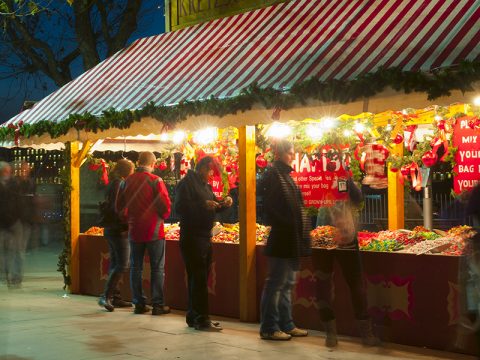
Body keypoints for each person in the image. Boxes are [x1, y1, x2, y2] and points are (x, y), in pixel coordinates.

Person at [315, 176, 379, 347]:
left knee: (353, 284)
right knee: (325, 284)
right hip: (326, 237)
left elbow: (358, 200)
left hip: (342, 236)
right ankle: (332, 332)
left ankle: (360, 332)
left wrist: (348, 181)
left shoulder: (340, 178)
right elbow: (358, 200)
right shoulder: (315, 176)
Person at [259, 140, 311, 341]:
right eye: (290, 153)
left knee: (287, 283)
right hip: (282, 238)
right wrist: (287, 223)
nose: (293, 156)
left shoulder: (286, 176)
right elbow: (270, 208)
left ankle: (286, 324)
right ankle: (269, 327)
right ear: (279, 154)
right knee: (276, 284)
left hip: (291, 239)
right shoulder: (274, 175)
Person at [174, 156, 233, 331]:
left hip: (204, 236)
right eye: (209, 171)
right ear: (201, 169)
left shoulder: (205, 186)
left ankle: (194, 316)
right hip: (192, 236)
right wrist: (202, 205)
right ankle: (202, 319)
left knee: (199, 278)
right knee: (198, 278)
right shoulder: (186, 184)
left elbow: (213, 205)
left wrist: (225, 203)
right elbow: (179, 208)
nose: (210, 175)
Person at [116, 152, 171, 315]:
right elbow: (166, 206)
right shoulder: (156, 181)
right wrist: (161, 216)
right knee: (157, 268)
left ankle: (139, 303)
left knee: (136, 267)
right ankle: (157, 305)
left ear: (138, 162)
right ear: (153, 163)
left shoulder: (126, 182)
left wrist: (130, 219)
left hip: (134, 230)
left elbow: (119, 207)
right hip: (154, 230)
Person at [98, 159, 135, 312]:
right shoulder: (120, 184)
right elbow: (118, 207)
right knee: (123, 263)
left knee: (115, 262)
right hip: (118, 229)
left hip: (110, 228)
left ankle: (115, 296)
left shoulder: (113, 183)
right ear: (128, 171)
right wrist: (125, 223)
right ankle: (106, 296)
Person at [0, 161, 23, 288]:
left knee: (17, 251)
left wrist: (18, 216)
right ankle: (6, 275)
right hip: (3, 222)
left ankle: (16, 276)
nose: (6, 173)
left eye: (8, 171)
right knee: (4, 251)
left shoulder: (14, 184)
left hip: (14, 221)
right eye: (4, 171)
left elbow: (18, 201)